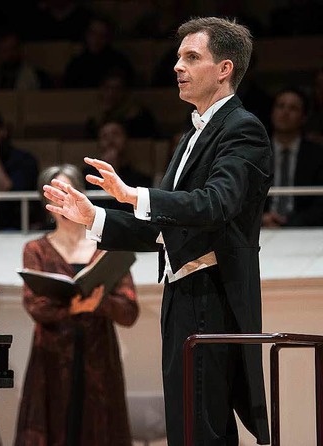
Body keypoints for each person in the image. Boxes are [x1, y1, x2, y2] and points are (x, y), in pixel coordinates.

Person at [44, 17, 271, 446]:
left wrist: (134, 195)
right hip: (183, 295)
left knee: (203, 430)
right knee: (185, 427)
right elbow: (163, 226)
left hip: (211, 294)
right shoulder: (191, 135)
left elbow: (215, 203)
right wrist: (93, 217)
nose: (177, 67)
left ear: (224, 69)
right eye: (178, 57)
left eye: (191, 57)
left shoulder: (243, 128)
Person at [15, 164, 139, 446]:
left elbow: (129, 311)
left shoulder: (107, 247)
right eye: (53, 193)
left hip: (98, 353)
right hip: (52, 356)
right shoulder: (36, 250)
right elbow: (35, 306)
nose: (61, 199)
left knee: (100, 425)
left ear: (81, 194)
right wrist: (73, 309)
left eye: (66, 190)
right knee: (56, 424)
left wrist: (100, 304)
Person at [263, 87, 323, 227]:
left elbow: (320, 204)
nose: (285, 112)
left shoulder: (317, 155)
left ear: (304, 117)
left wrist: (290, 223)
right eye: (280, 106)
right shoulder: (254, 152)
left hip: (305, 230)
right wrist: (260, 218)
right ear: (272, 112)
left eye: (293, 108)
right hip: (260, 229)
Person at [83, 118, 153, 210]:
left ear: (126, 140)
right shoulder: (85, 176)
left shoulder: (140, 179)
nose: (110, 140)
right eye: (105, 136)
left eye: (115, 134)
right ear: (99, 143)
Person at [63, 17, 135, 89]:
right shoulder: (76, 64)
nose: (96, 39)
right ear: (86, 35)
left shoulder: (120, 61)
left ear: (108, 38)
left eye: (102, 35)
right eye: (93, 34)